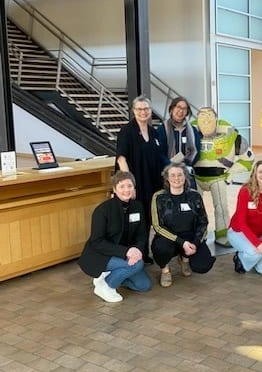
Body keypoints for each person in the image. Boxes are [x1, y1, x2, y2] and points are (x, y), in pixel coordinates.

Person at [78, 171, 152, 302]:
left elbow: (142, 234)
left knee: (144, 286)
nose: (126, 190)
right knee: (137, 265)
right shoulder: (103, 210)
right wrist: (126, 252)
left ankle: (115, 274)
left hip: (128, 253)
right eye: (122, 186)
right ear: (114, 189)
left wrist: (137, 250)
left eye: (129, 186)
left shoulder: (138, 206)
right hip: (101, 255)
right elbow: (97, 242)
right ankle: (107, 284)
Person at [116, 95, 168, 264]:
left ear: (150, 111)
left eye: (146, 109)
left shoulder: (154, 133)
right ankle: (134, 255)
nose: (143, 112)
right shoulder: (126, 131)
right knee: (137, 220)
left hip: (152, 183)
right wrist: (130, 185)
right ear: (133, 111)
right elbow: (121, 159)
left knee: (150, 218)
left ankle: (145, 254)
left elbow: (160, 158)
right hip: (136, 184)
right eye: (139, 109)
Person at [193, 107, 253, 246]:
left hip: (218, 177)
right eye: (202, 117)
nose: (206, 120)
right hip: (195, 177)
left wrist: (231, 172)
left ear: (216, 119)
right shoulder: (188, 133)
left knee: (221, 208)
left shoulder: (232, 136)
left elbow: (248, 159)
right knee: (193, 208)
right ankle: (197, 234)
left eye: (209, 116)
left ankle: (222, 234)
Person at [150, 163, 215, 287]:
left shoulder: (194, 196)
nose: (176, 178)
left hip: (190, 237)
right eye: (172, 175)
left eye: (180, 175)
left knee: (203, 265)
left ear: (185, 177)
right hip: (168, 238)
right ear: (167, 179)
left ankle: (184, 259)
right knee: (161, 249)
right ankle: (165, 270)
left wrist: (195, 243)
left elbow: (203, 222)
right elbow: (157, 226)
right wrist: (181, 242)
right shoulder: (159, 197)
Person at [227, 161, 262, 275]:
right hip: (238, 232)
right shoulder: (245, 191)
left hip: (260, 234)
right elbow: (241, 223)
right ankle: (241, 257)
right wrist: (257, 244)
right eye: (260, 172)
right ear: (255, 174)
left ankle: (250, 255)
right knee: (255, 253)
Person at [157, 96, 199, 187]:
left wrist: (183, 165)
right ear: (172, 109)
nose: (181, 111)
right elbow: (158, 152)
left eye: (184, 108)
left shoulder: (193, 130)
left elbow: (196, 151)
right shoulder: (162, 129)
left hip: (187, 172)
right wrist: (170, 164)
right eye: (178, 107)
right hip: (167, 172)